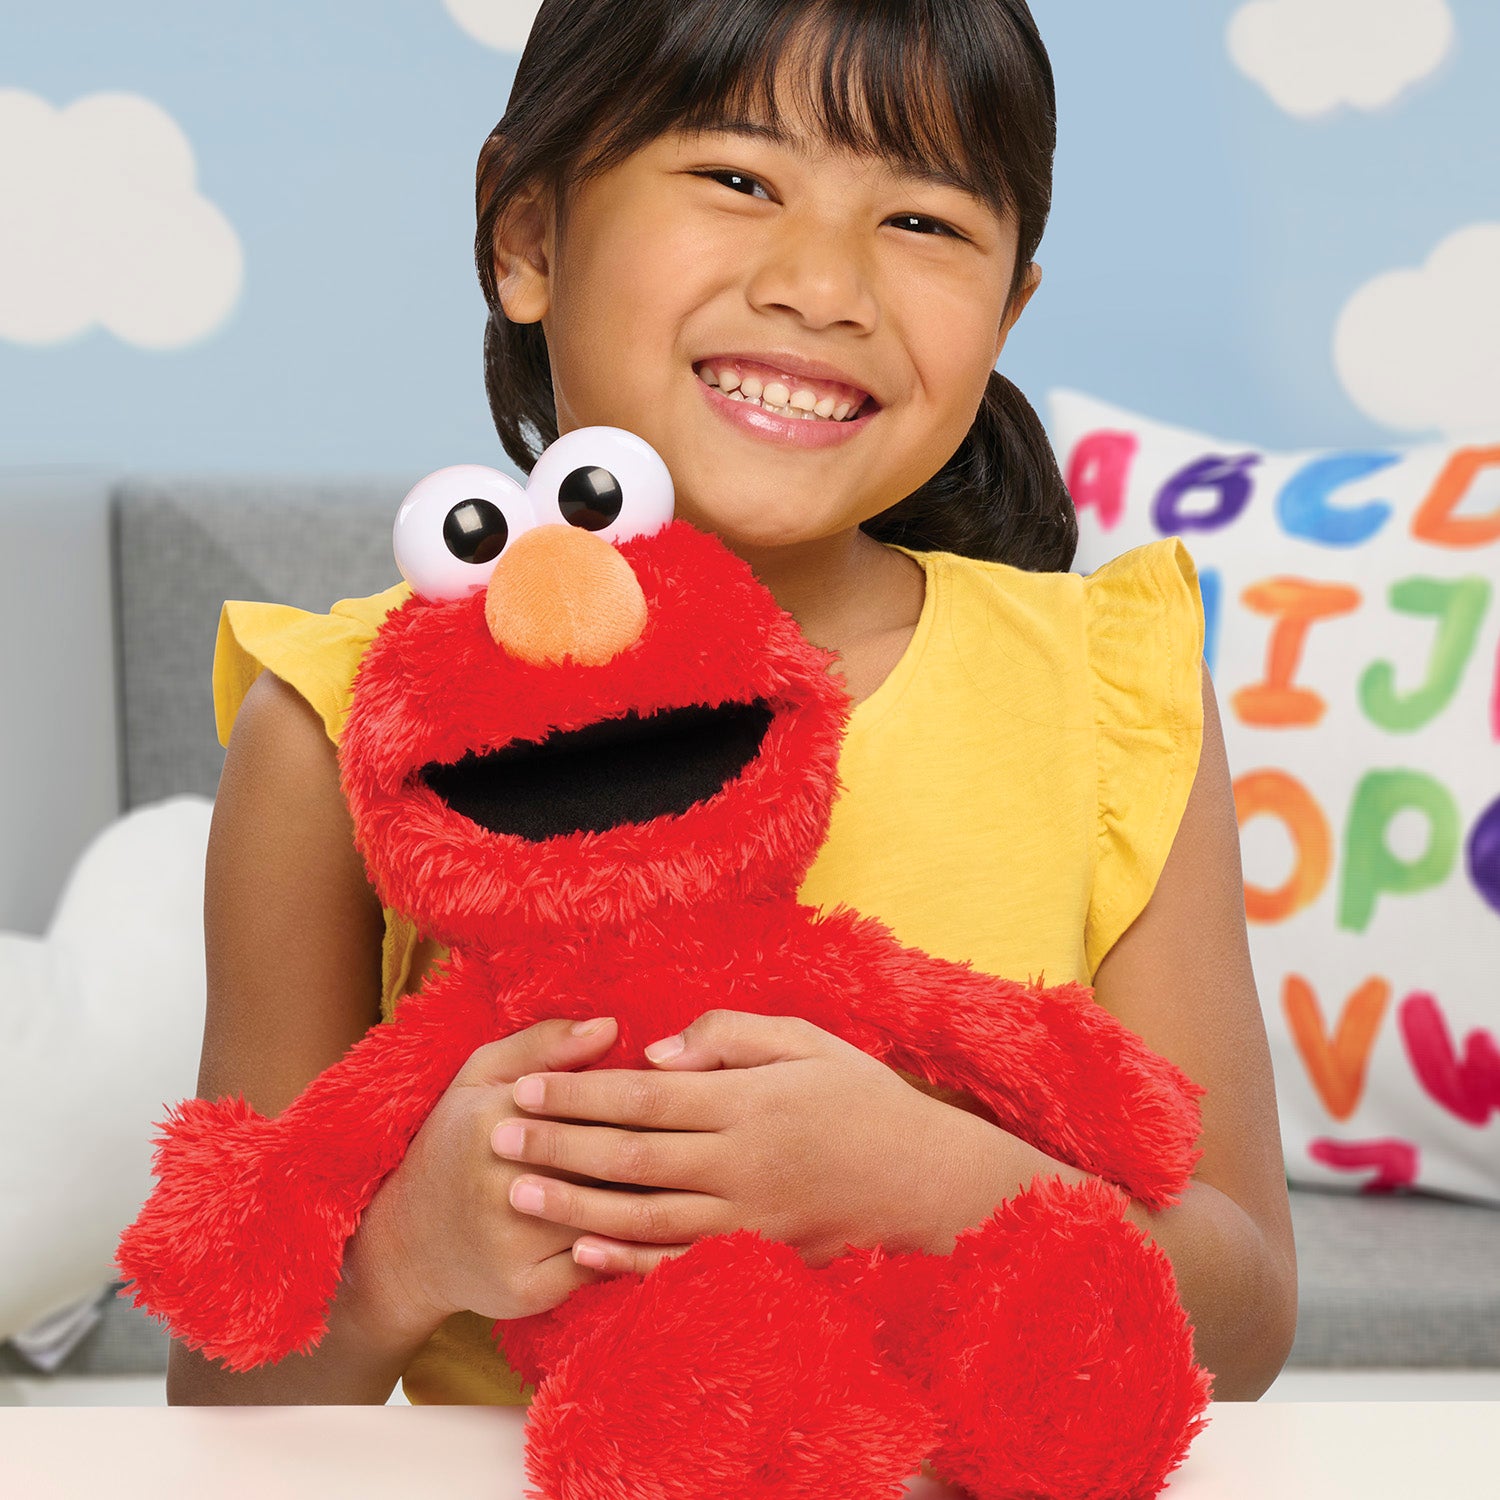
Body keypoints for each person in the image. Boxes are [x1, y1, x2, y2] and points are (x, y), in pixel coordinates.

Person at [171, 0, 1297, 1409]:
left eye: (926, 223)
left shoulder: (1109, 691)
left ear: (1008, 310)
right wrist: (412, 1249)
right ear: (526, 234)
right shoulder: (342, 725)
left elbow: (1246, 1325)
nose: (824, 285)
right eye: (738, 179)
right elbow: (222, 1390)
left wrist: (932, 1179)